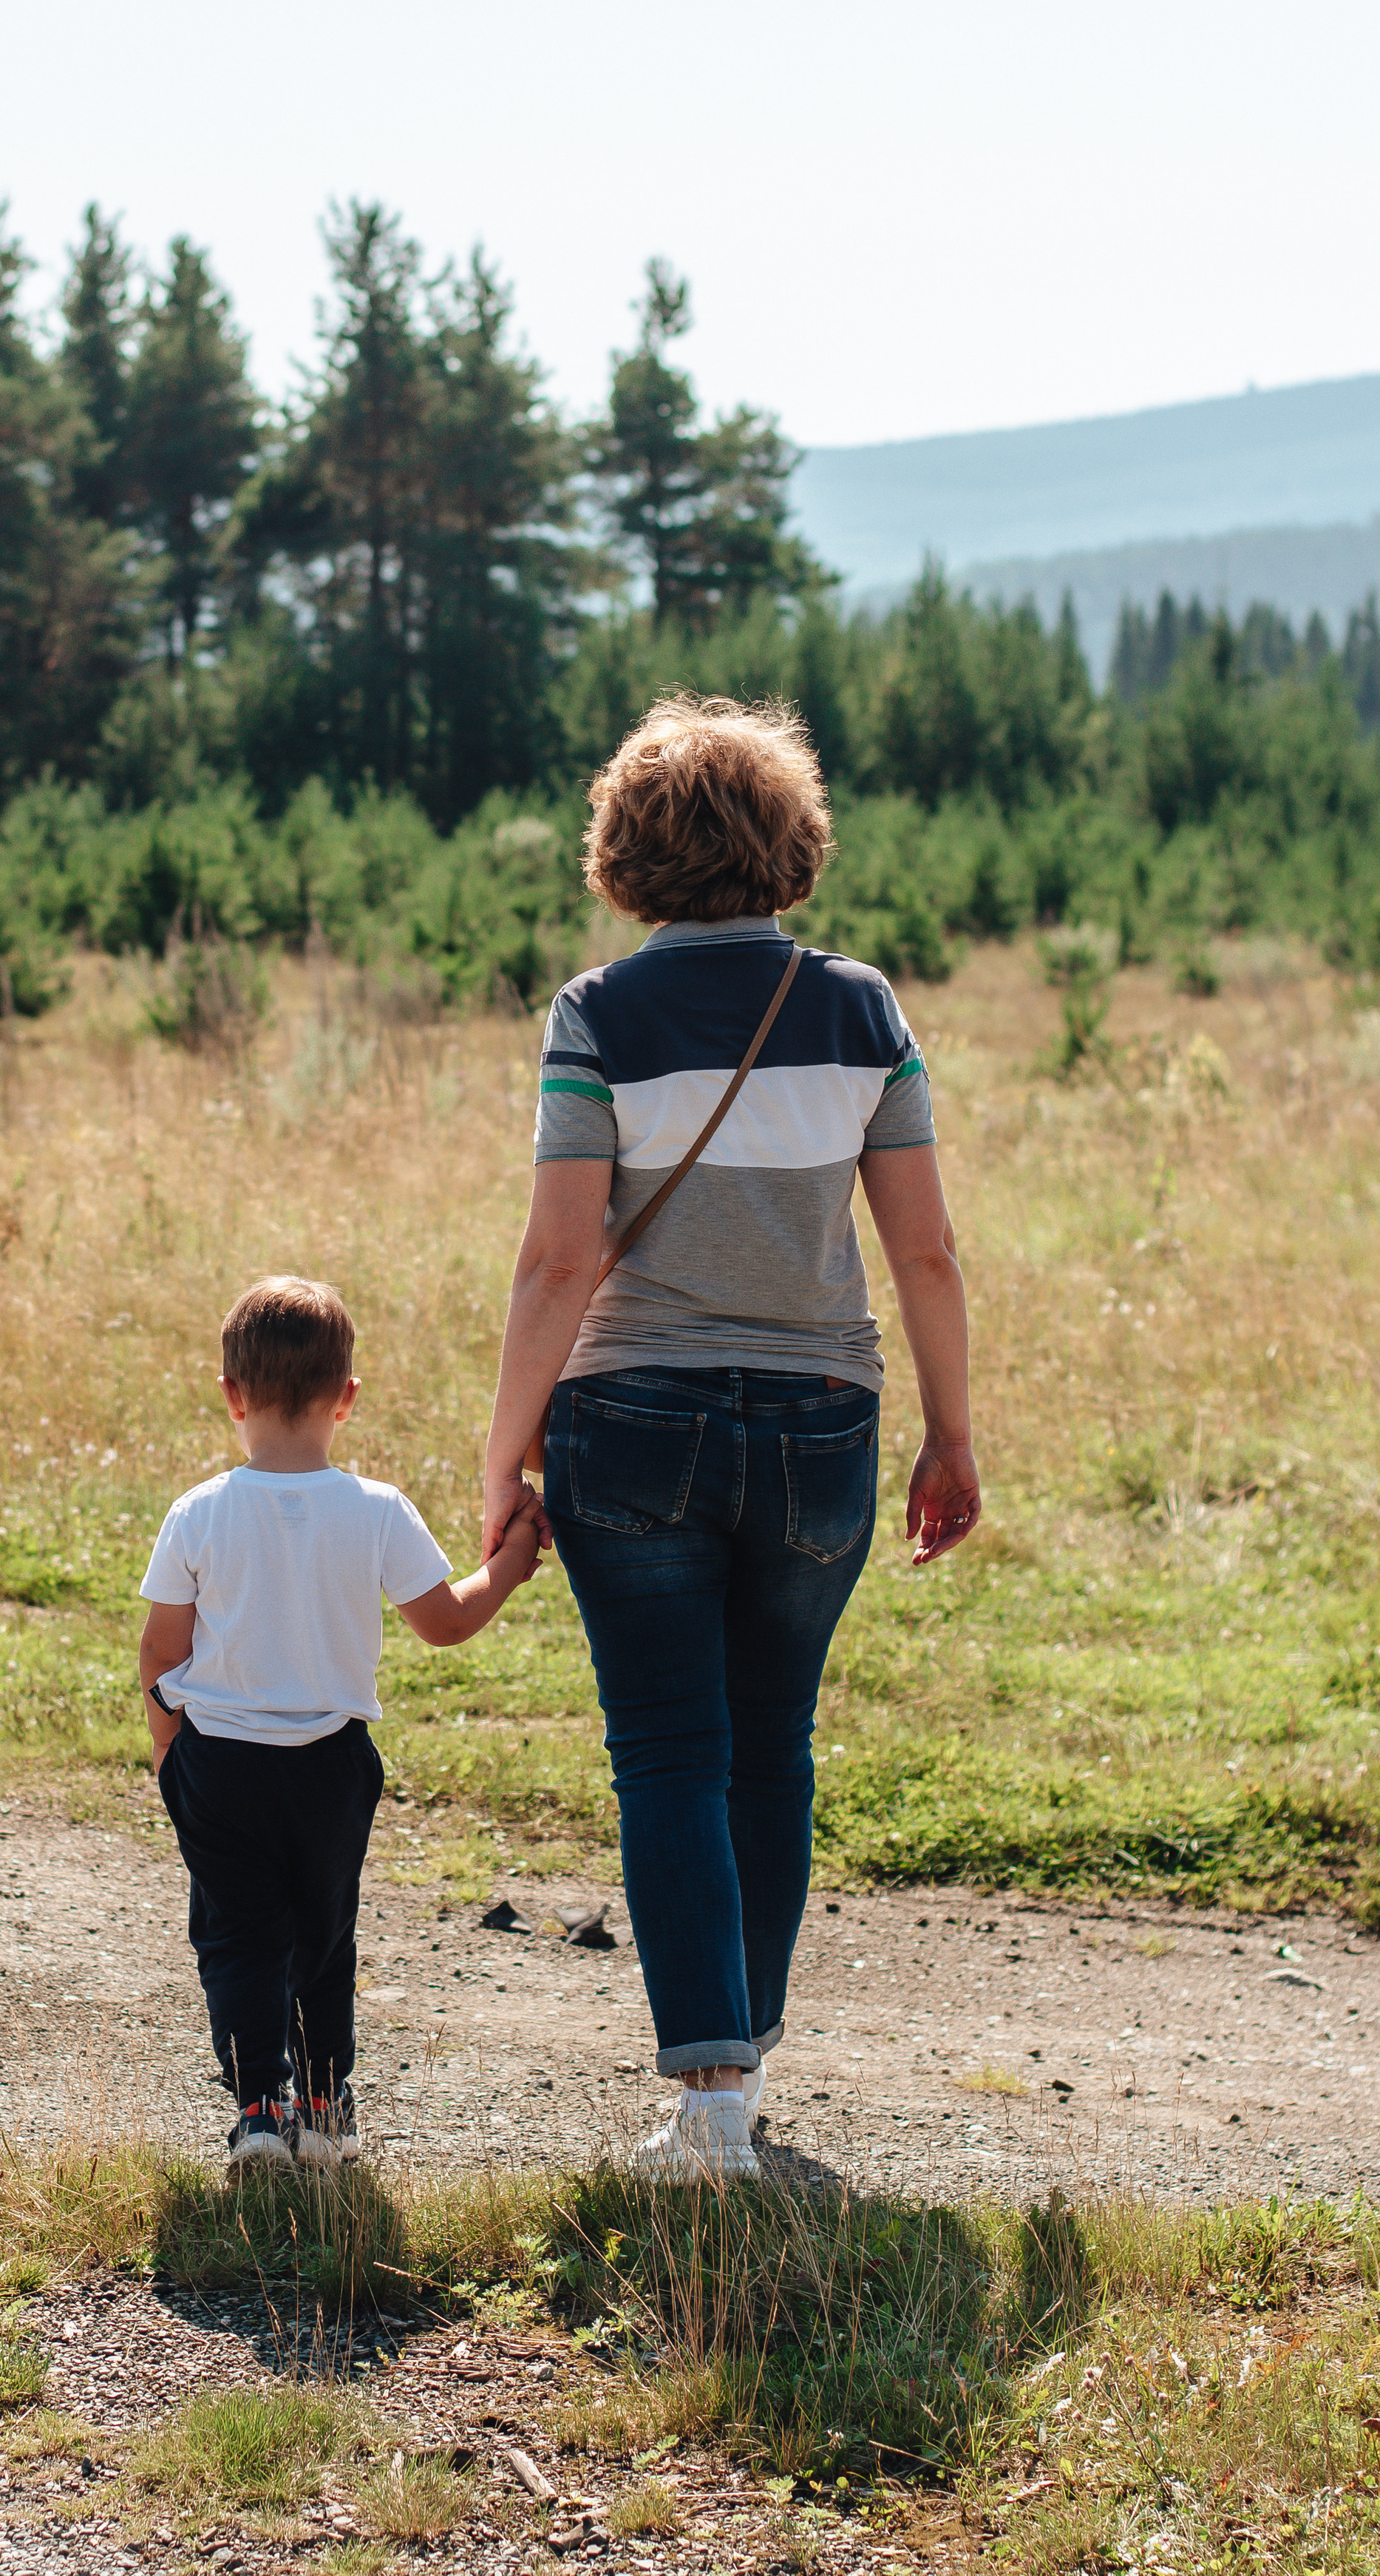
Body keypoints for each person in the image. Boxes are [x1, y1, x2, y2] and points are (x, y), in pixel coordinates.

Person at [481, 696, 981, 2180]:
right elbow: (927, 1255)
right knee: (772, 1747)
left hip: (632, 1420)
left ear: (623, 851)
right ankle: (735, 2083)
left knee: (667, 1755)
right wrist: (950, 1436)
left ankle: (709, 2106)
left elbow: (558, 1262)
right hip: (824, 1419)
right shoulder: (858, 1009)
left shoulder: (598, 1016)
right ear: (787, 846)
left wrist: (502, 1451)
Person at [139, 1274, 543, 2169]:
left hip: (220, 1764)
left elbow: (160, 1651)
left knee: (239, 1935)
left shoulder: (198, 1513)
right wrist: (512, 1559)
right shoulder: (376, 1510)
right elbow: (444, 1623)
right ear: (347, 1398)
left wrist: (170, 1752)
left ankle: (256, 2110)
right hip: (330, 1763)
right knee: (324, 1930)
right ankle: (324, 2107)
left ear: (231, 1396)